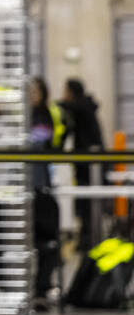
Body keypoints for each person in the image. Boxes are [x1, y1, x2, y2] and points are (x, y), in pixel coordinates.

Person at [27, 76, 63, 306]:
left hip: (40, 186)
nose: (30, 95)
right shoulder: (21, 116)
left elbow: (40, 141)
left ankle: (42, 286)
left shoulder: (45, 114)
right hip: (22, 188)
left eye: (34, 91)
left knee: (47, 241)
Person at [60, 78, 104, 250]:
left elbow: (68, 107)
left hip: (90, 165)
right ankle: (87, 239)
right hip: (85, 163)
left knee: (88, 203)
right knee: (85, 203)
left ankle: (89, 240)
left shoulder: (82, 107)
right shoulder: (84, 107)